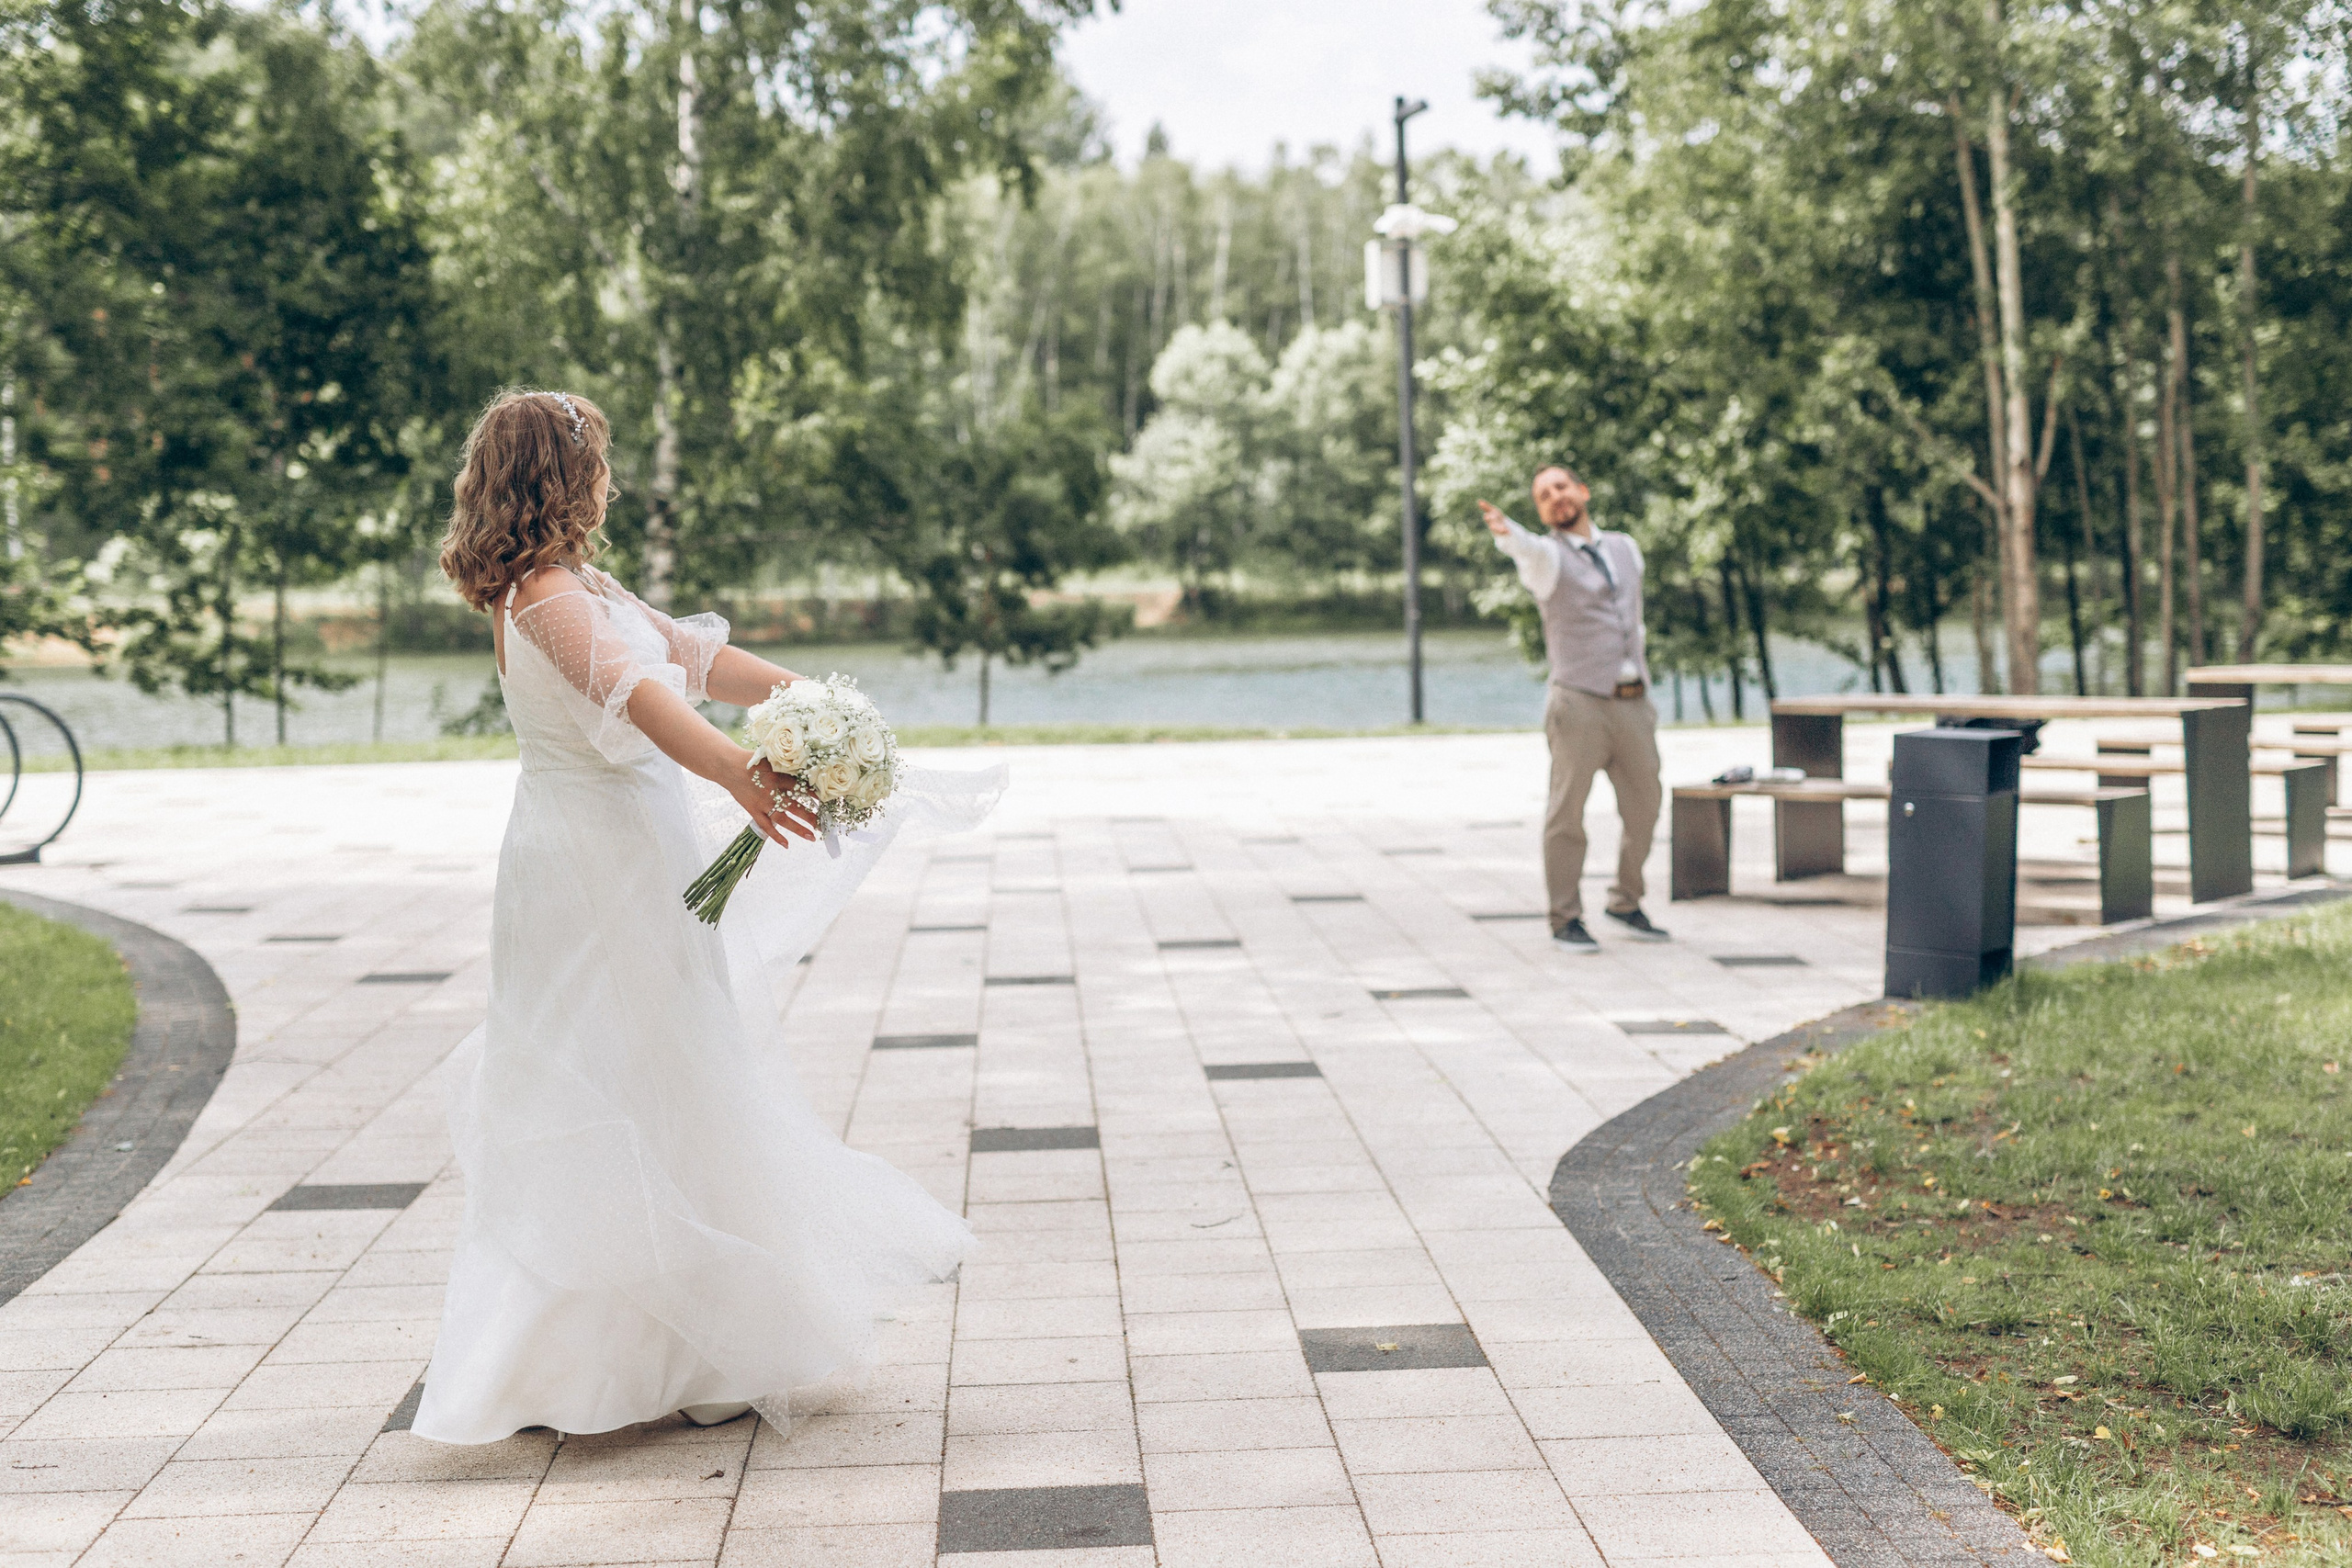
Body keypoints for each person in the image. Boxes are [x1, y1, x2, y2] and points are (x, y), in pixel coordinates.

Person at [413, 388, 992, 1443]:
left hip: (635, 847)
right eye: (597, 463)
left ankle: (698, 1346)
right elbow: (639, 699)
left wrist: (818, 706)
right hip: (589, 865)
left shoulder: (585, 584)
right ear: (565, 477)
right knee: (617, 1071)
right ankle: (592, 1362)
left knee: (675, 1065)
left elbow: (693, 659)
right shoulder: (543, 597)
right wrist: (738, 772)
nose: (608, 480)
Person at [1479, 464, 1668, 953]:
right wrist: (1507, 533)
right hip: (1579, 703)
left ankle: (1625, 902)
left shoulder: (1626, 547)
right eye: (1543, 495)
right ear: (1540, 512)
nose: (1555, 497)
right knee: (1567, 813)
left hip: (1633, 701)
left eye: (1560, 487)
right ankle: (1565, 917)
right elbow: (1526, 548)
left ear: (1582, 491)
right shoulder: (1547, 559)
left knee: (1646, 806)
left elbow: (1633, 618)